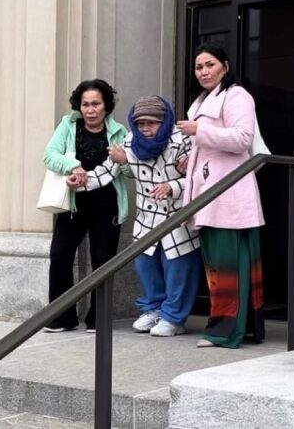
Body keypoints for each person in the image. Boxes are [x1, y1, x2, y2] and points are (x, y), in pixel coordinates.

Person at [75, 96, 203, 337]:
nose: (145, 128)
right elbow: (108, 170)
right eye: (141, 123)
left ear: (164, 121)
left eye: (152, 123)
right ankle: (153, 309)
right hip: (146, 216)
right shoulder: (130, 140)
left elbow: (202, 174)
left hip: (177, 216)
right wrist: (82, 182)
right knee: (146, 265)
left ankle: (174, 317)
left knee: (178, 267)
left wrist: (172, 186)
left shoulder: (183, 140)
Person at [176, 43, 266, 349]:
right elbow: (213, 146)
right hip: (212, 195)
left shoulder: (237, 95)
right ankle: (242, 328)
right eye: (199, 67)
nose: (203, 72)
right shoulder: (203, 101)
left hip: (229, 196)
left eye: (209, 65)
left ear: (225, 66)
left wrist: (199, 130)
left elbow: (242, 139)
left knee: (228, 267)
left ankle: (224, 331)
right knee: (221, 266)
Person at [42, 79, 129, 333]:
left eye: (96, 104)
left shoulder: (119, 132)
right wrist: (73, 167)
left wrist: (123, 160)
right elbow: (50, 155)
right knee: (59, 255)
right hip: (74, 202)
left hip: (106, 204)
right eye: (86, 104)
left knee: (103, 260)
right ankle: (62, 317)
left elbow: (130, 171)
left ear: (106, 106)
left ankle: (97, 318)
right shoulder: (68, 126)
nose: (90, 110)